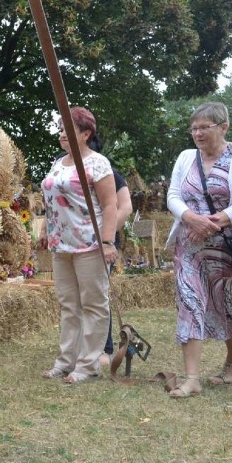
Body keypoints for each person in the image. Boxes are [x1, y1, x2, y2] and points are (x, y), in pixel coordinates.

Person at [165, 102, 232, 398]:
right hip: (190, 245)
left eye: (204, 127)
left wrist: (216, 221)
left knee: (230, 303)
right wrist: (190, 218)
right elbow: (173, 195)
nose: (197, 133)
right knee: (190, 302)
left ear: (223, 127)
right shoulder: (186, 157)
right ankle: (192, 378)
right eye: (194, 128)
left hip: (228, 245)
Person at [40, 107, 118, 384]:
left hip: (90, 243)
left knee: (94, 304)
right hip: (61, 244)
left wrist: (108, 242)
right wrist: (44, 230)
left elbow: (111, 205)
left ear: (86, 134)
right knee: (68, 305)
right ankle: (65, 361)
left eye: (68, 129)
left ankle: (87, 365)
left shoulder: (98, 163)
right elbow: (51, 202)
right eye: (60, 128)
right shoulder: (58, 163)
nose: (62, 133)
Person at [87, 134, 132, 366]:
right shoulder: (65, 171)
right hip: (76, 244)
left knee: (99, 294)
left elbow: (125, 207)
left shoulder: (110, 174)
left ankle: (104, 348)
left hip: (102, 243)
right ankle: (83, 348)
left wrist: (107, 233)